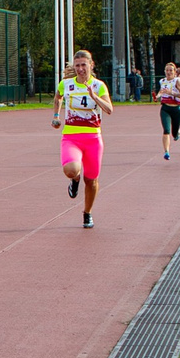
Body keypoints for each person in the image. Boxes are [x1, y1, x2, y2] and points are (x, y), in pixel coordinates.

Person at [54, 50, 118, 227]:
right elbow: (58, 97)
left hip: (93, 138)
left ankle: (87, 213)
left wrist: (94, 97)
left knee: (91, 179)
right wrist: (56, 115)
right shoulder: (66, 84)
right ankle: (74, 180)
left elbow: (109, 109)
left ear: (91, 65)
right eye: (77, 65)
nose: (81, 69)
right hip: (71, 137)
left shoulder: (99, 86)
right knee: (71, 170)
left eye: (84, 65)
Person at [157, 60, 180, 160]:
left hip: (176, 108)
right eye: (167, 70)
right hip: (165, 108)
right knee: (166, 130)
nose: (169, 72)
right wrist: (158, 96)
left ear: (175, 71)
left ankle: (177, 132)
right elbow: (161, 91)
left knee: (174, 133)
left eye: (171, 70)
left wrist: (171, 93)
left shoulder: (177, 81)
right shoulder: (162, 81)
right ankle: (166, 152)